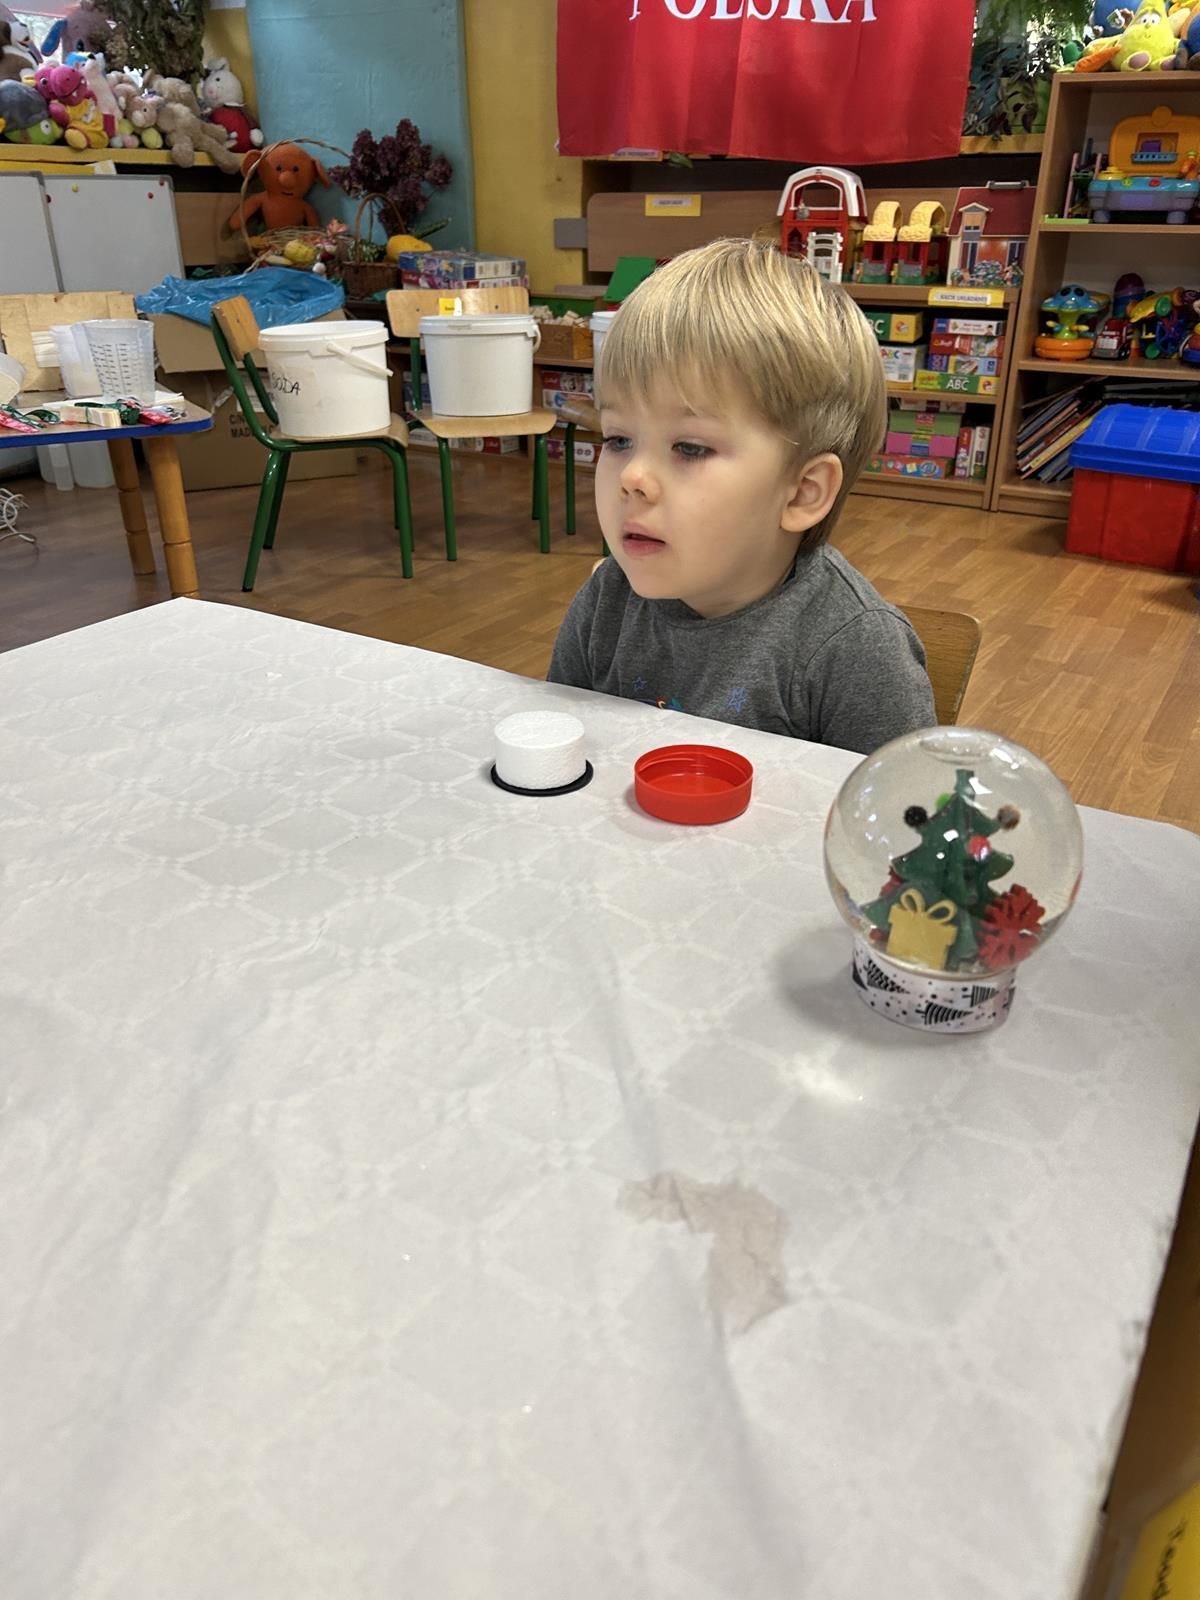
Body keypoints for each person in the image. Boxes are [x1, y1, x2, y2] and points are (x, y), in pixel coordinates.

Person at [548, 238, 936, 755]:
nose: (633, 476)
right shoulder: (608, 601)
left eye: (690, 448)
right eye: (619, 439)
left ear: (802, 493)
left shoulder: (855, 649)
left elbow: (899, 804)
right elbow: (558, 754)